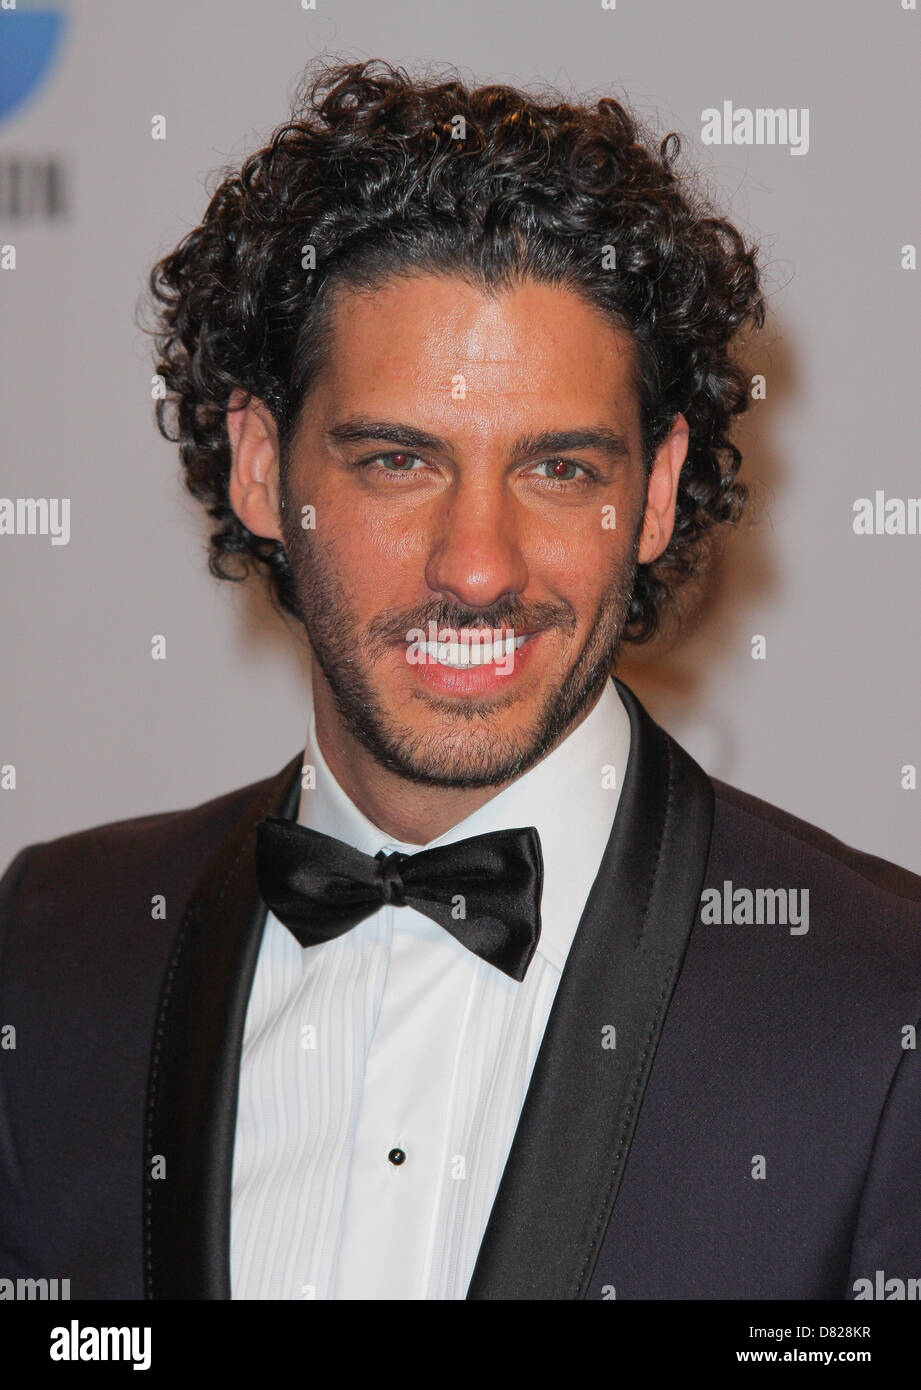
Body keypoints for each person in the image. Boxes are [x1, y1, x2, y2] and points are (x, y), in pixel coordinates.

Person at [1, 57, 918, 1303]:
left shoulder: (881, 1007)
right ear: (264, 467)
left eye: (559, 470)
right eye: (398, 461)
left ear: (653, 492)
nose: (478, 569)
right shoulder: (55, 953)